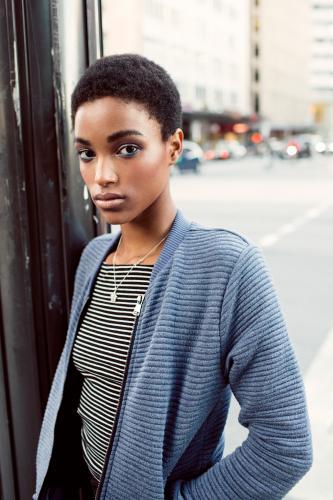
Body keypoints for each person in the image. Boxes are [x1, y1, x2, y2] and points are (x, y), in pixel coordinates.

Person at [33, 54, 312, 500]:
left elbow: (285, 445)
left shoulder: (225, 266)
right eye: (87, 153)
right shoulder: (92, 258)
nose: (101, 175)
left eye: (127, 148)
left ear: (174, 146)